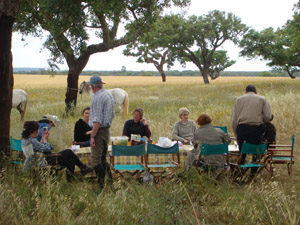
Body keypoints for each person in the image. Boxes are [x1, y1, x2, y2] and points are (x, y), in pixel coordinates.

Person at [21, 121, 93, 181]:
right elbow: (47, 149)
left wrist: (43, 138)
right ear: (35, 131)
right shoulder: (32, 140)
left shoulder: (26, 139)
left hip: (39, 158)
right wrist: (45, 140)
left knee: (71, 160)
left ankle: (71, 179)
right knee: (69, 152)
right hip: (44, 160)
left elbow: (41, 147)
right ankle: (82, 167)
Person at [231, 84, 272, 166]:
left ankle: (240, 171)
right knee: (256, 152)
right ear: (256, 92)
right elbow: (268, 116)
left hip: (241, 128)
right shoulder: (262, 99)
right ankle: (253, 173)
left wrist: (236, 133)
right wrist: (260, 120)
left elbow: (234, 119)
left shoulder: (239, 100)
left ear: (246, 92)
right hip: (256, 129)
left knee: (242, 152)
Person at [88, 76, 115, 189]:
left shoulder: (98, 98)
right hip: (106, 131)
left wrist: (93, 136)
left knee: (95, 160)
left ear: (92, 86)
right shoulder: (108, 95)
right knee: (103, 158)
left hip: (99, 131)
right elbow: (112, 115)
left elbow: (97, 120)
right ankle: (109, 182)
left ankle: (101, 185)